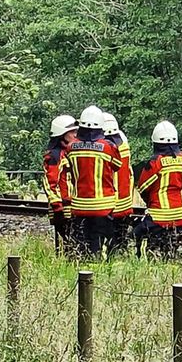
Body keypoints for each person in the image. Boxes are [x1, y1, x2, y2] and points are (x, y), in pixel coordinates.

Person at [60, 106, 123, 257]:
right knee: (103, 242)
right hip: (103, 205)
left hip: (79, 205)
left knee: (82, 243)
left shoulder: (70, 147)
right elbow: (117, 166)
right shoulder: (108, 147)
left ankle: (84, 261)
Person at [133, 121, 182, 258]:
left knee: (136, 234)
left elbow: (142, 187)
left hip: (159, 215)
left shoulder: (156, 162)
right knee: (171, 248)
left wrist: (150, 202)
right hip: (179, 214)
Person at [43, 114, 78, 254]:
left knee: (73, 244)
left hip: (72, 205)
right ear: (61, 134)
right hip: (62, 207)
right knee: (64, 246)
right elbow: (50, 182)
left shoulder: (70, 152)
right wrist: (57, 206)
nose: (76, 135)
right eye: (72, 132)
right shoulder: (54, 156)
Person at [103, 112, 134, 254]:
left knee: (108, 239)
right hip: (125, 202)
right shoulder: (123, 143)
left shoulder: (105, 147)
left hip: (109, 203)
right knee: (120, 239)